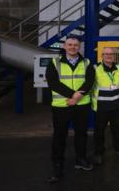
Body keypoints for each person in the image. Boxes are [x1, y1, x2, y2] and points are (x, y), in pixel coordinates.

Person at [45, 35, 95, 183]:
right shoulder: (55, 62)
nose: (73, 47)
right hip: (62, 106)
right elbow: (53, 82)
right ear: (64, 46)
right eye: (70, 44)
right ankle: (57, 164)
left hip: (81, 105)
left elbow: (90, 80)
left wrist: (77, 98)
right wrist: (72, 95)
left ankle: (81, 159)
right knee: (59, 136)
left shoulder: (86, 62)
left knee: (81, 133)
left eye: (75, 45)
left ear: (79, 47)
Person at [91, 47, 119, 165]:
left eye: (111, 54)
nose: (109, 56)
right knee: (99, 131)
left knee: (117, 129)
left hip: (116, 105)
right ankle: (98, 152)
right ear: (102, 56)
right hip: (101, 106)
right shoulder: (95, 68)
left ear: (114, 56)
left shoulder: (118, 68)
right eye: (106, 54)